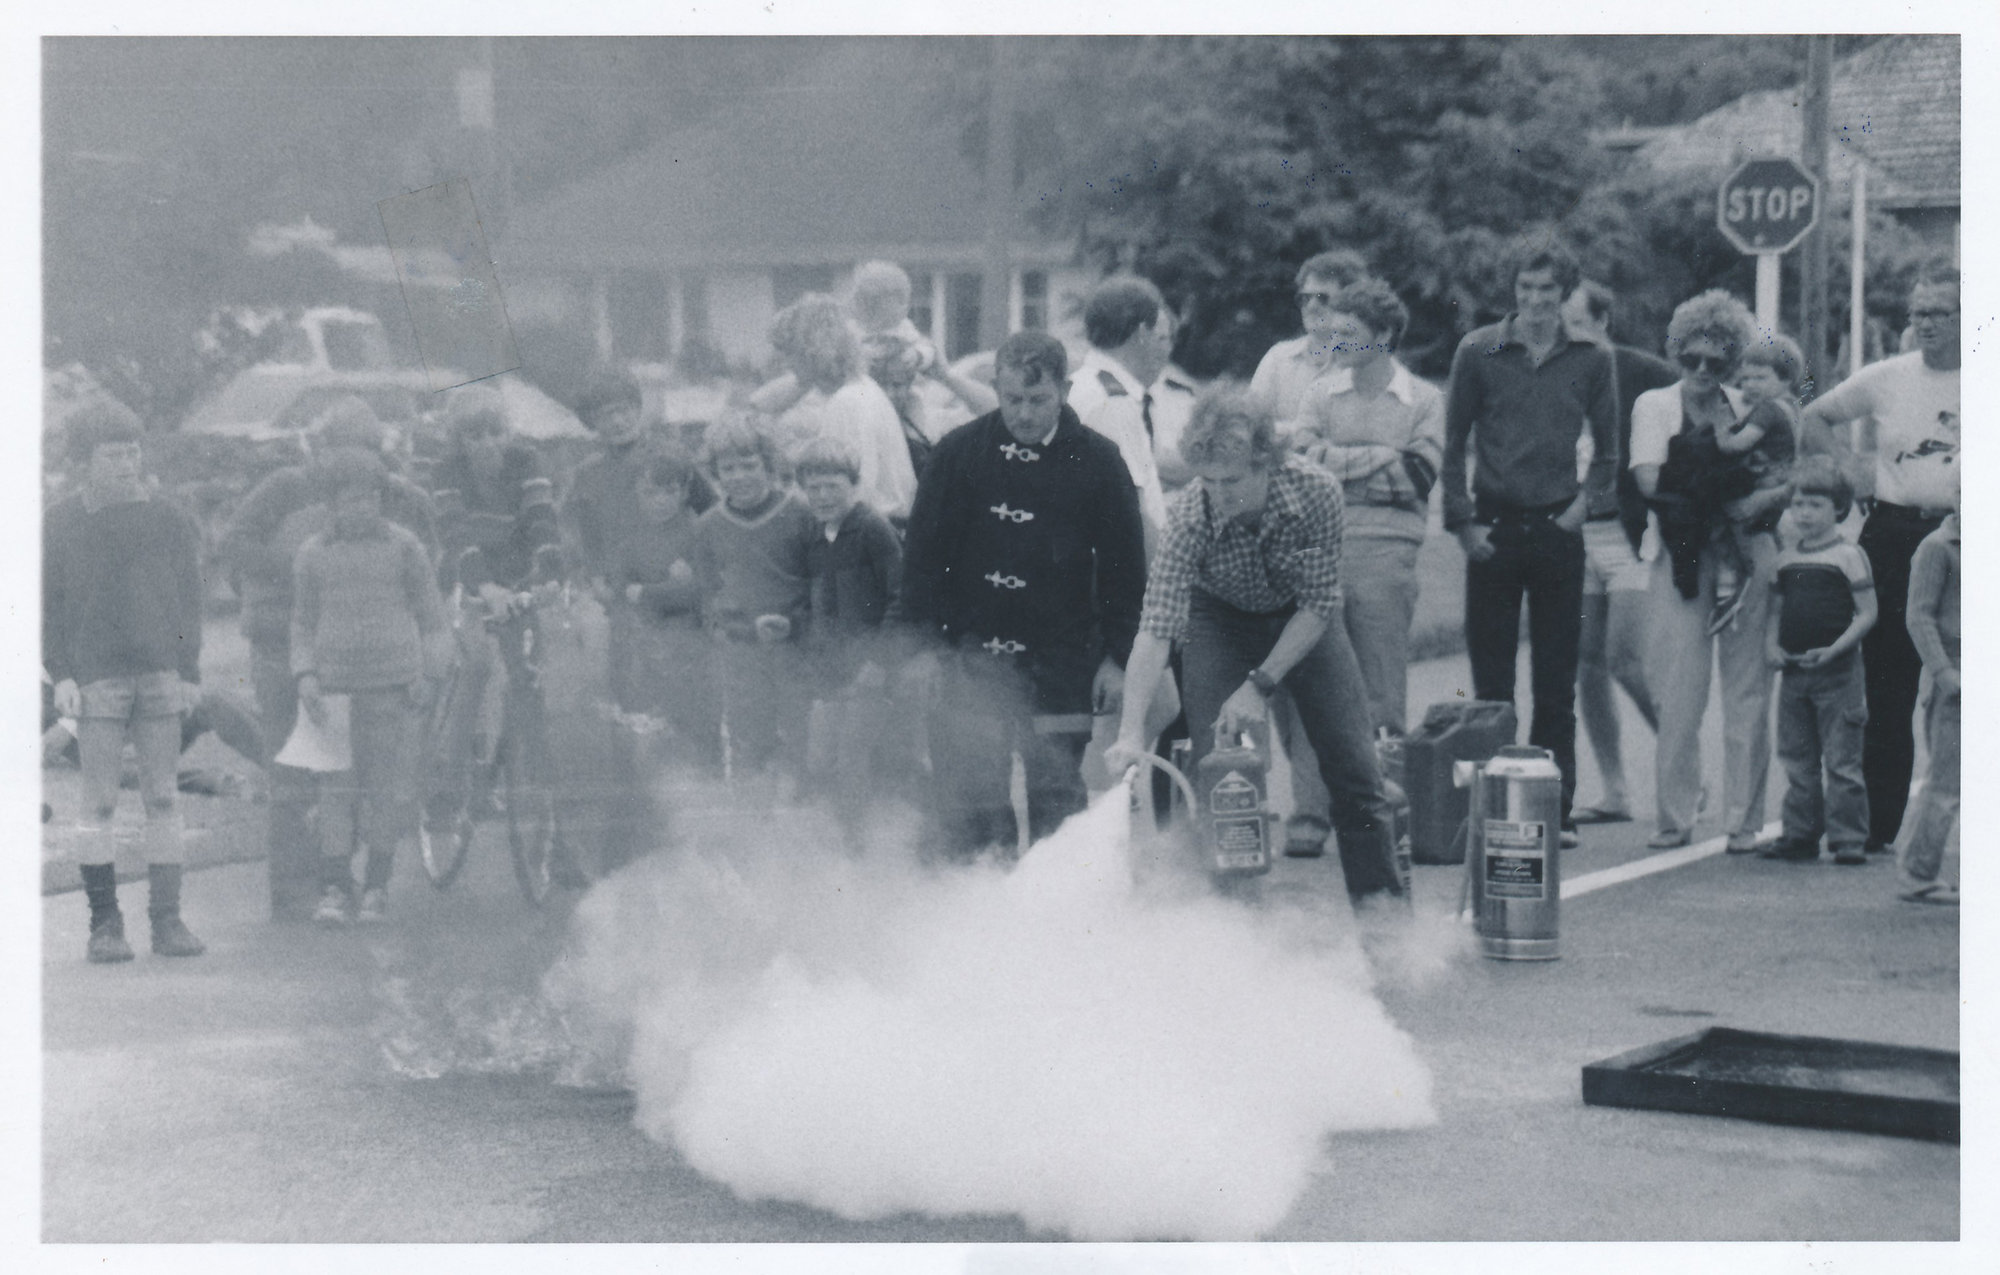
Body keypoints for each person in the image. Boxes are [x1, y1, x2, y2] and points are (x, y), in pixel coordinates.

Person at [1104, 384, 1404, 905]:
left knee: (1354, 771)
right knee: (1218, 775)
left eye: (1233, 480)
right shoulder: (1191, 517)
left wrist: (1258, 686)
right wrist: (1130, 733)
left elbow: (1317, 605)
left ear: (1267, 461)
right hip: (1218, 618)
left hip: (1303, 616)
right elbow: (1155, 628)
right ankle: (1236, 932)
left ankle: (1384, 923)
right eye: (1208, 480)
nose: (1219, 494)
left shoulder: (1316, 493)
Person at [897, 330, 1146, 861]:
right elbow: (920, 560)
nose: (1025, 414)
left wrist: (1117, 660)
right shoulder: (957, 454)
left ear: (1063, 391)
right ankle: (984, 916)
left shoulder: (1100, 461)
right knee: (974, 799)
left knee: (1057, 796)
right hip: (970, 652)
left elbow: (1126, 571)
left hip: (1062, 655)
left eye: (1038, 400)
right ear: (997, 389)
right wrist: (920, 647)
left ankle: (1058, 919)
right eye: (1013, 400)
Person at [221, 396, 438, 920]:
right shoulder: (284, 489)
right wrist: (292, 569)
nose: (348, 461)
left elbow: (428, 563)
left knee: (360, 776)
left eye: (362, 449)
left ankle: (350, 883)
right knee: (293, 773)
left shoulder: (399, 499)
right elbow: (234, 545)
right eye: (337, 448)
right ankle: (300, 894)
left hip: (370, 661)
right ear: (318, 449)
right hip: (282, 645)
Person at [1440, 241, 1619, 844]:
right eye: (1525, 290)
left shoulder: (1593, 359)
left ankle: (1554, 808)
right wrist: (1463, 523)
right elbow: (1452, 441)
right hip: (1493, 525)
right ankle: (1493, 806)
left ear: (1565, 293)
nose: (1536, 302)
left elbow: (1609, 453)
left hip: (1556, 529)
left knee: (1555, 680)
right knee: (1491, 682)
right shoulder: (1479, 350)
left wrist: (1579, 511)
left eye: (1547, 291)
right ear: (1512, 292)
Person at [1799, 263, 1960, 854]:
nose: (1929, 324)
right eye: (1920, 313)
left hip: (1966, 538)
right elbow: (1814, 414)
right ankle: (1876, 827)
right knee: (1887, 685)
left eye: (1942, 312)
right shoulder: (1888, 376)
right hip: (1894, 535)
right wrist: (1848, 468)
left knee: (1961, 686)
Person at [43, 399, 207, 962]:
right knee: (100, 803)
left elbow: (189, 600)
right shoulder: (62, 519)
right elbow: (50, 605)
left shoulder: (166, 516)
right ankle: (105, 925)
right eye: (112, 455)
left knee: (163, 796)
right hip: (96, 680)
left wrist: (189, 670)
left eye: (132, 452)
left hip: (160, 674)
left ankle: (168, 921)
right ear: (85, 461)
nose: (125, 464)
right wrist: (61, 675)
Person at [1629, 290, 1792, 852]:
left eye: (1716, 361)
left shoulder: (1751, 401)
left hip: (1749, 548)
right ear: (1676, 354)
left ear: (1732, 361)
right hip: (1684, 552)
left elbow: (1792, 459)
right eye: (1691, 358)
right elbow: (1651, 483)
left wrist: (1763, 497)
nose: (1702, 370)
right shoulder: (1655, 404)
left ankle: (1743, 820)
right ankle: (1675, 815)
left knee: (1747, 693)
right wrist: (1719, 496)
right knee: (1679, 693)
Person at [292, 450, 450, 925]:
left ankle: (377, 886)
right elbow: (301, 620)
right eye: (349, 500)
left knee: (387, 790)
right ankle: (336, 888)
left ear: (382, 500)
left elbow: (433, 619)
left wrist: (429, 675)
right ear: (331, 504)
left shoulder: (406, 548)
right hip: (331, 689)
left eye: (370, 499)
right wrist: (305, 674)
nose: (360, 508)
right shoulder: (312, 553)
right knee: (334, 791)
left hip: (394, 685)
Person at [1288, 276, 1443, 737]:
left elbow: (1416, 479)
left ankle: (1382, 805)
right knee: (1316, 689)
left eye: (1349, 333)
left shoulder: (1426, 400)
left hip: (1387, 557)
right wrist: (1380, 457)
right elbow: (1302, 470)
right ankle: (1316, 811)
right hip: (1321, 552)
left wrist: (1336, 466)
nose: (1336, 342)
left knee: (1380, 693)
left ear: (1384, 336)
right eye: (1333, 332)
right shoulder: (1320, 394)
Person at [1560, 281, 1678, 824]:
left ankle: (1684, 769)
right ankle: (1615, 789)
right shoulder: (1548, 374)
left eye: (1577, 324)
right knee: (1585, 662)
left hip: (1635, 537)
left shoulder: (1648, 374)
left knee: (1625, 659)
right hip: (1577, 536)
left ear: (1604, 320)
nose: (1566, 336)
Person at [1758, 458, 1876, 865]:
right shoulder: (1786, 559)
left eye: (1816, 505)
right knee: (1797, 759)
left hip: (1839, 674)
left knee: (1842, 760)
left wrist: (1836, 648)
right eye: (1799, 504)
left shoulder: (1849, 555)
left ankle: (1848, 838)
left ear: (1838, 509)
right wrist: (1771, 647)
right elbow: (1775, 611)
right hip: (1794, 673)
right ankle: (1800, 833)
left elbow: (1867, 613)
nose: (1805, 513)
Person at [691, 414, 818, 779]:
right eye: (728, 468)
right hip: (743, 652)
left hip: (798, 647)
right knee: (749, 743)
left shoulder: (801, 514)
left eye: (749, 465)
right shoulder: (708, 527)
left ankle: (807, 824)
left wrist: (795, 623)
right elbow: (708, 595)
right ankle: (753, 827)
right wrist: (740, 628)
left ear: (770, 465)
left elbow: (822, 586)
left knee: (801, 740)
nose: (739, 476)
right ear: (715, 474)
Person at [795, 434, 904, 835]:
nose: (823, 496)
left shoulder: (873, 529)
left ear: (853, 485)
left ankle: (859, 845)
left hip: (871, 671)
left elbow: (901, 598)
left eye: (833, 486)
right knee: (819, 760)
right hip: (830, 669)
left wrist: (879, 661)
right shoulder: (814, 534)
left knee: (850, 757)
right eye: (814, 488)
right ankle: (840, 837)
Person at [765, 293, 920, 523]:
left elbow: (853, 494)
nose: (786, 364)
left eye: (789, 354)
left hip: (871, 537)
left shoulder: (847, 402)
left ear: (813, 351)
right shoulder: (863, 388)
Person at [610, 448, 719, 768]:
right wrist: (663, 589)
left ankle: (705, 782)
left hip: (693, 643)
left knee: (696, 720)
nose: (660, 501)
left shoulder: (697, 532)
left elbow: (695, 591)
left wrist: (643, 590)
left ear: (685, 492)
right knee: (649, 725)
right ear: (636, 495)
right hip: (646, 647)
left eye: (669, 491)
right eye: (650, 492)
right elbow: (618, 587)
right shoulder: (630, 540)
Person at [1068, 275, 1178, 540]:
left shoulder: (1083, 384)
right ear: (1142, 334)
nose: (1167, 350)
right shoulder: (1113, 403)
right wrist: (1165, 578)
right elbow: (1134, 514)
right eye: (1161, 336)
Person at [1892, 487, 1958, 903]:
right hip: (1956, 672)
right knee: (1948, 782)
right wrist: (1944, 671)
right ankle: (1918, 872)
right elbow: (1919, 615)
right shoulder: (1937, 548)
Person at [1247, 248, 1371, 434]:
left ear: (1351, 303)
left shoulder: (1366, 365)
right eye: (1305, 298)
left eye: (1323, 298)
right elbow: (1249, 425)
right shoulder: (1278, 358)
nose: (1311, 306)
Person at [560, 370, 655, 597]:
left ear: (638, 408)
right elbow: (587, 535)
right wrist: (596, 577)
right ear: (591, 422)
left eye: (623, 410)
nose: (617, 422)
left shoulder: (669, 456)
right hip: (616, 586)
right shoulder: (587, 474)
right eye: (605, 415)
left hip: (667, 579)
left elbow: (710, 513)